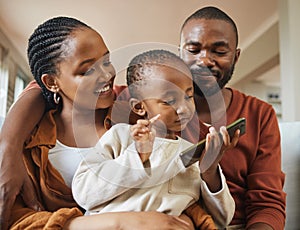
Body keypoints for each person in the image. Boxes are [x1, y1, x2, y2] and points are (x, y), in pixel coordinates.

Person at [1, 16, 196, 230]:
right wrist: (117, 222)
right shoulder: (30, 142)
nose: (106, 75)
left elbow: (179, 179)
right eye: (87, 71)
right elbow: (17, 220)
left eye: (106, 61)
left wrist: (186, 219)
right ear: (51, 82)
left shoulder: (137, 114)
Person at [72, 49, 237, 229]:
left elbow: (222, 219)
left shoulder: (194, 155)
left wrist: (210, 171)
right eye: (169, 101)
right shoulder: (121, 136)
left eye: (188, 96)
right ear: (139, 106)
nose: (183, 108)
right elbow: (84, 193)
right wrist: (137, 156)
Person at [179, 6, 286, 230]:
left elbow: (266, 205)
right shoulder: (148, 103)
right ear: (180, 53)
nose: (205, 60)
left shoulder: (260, 114)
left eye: (219, 52)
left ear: (235, 57)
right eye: (193, 50)